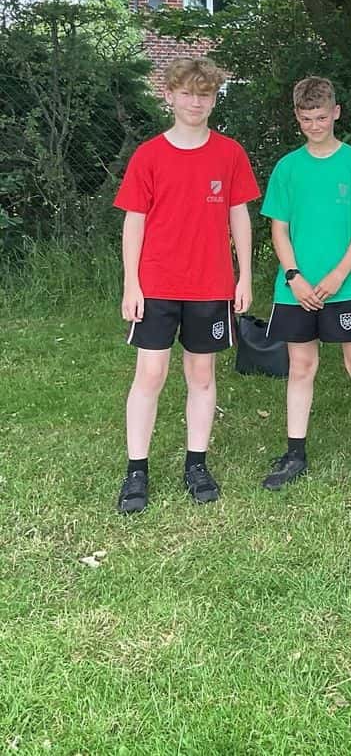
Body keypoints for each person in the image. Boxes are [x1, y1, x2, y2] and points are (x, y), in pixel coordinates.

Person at [114, 56, 259, 513]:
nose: (196, 102)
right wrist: (131, 284)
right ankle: (137, 470)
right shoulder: (149, 155)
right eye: (188, 93)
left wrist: (245, 276)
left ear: (214, 99)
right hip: (156, 282)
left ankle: (196, 464)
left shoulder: (230, 152)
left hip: (211, 284)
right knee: (151, 374)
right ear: (170, 96)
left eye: (206, 94)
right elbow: (134, 224)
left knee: (201, 375)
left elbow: (240, 216)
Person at [261, 77, 351, 492]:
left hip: (348, 284)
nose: (314, 125)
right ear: (297, 119)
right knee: (301, 367)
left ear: (336, 112)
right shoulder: (287, 167)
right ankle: (294, 453)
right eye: (305, 119)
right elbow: (278, 229)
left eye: (321, 116)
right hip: (296, 287)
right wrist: (294, 276)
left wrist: (338, 275)